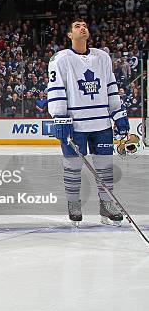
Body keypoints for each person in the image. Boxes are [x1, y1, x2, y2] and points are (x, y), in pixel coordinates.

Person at [48, 19, 128, 227]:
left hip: (101, 123)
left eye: (84, 25)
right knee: (73, 168)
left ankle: (107, 205)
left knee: (105, 169)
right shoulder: (60, 59)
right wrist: (60, 117)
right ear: (69, 35)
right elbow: (56, 89)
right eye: (76, 26)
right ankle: (74, 205)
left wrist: (118, 114)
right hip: (75, 125)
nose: (82, 28)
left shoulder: (102, 57)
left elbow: (111, 86)